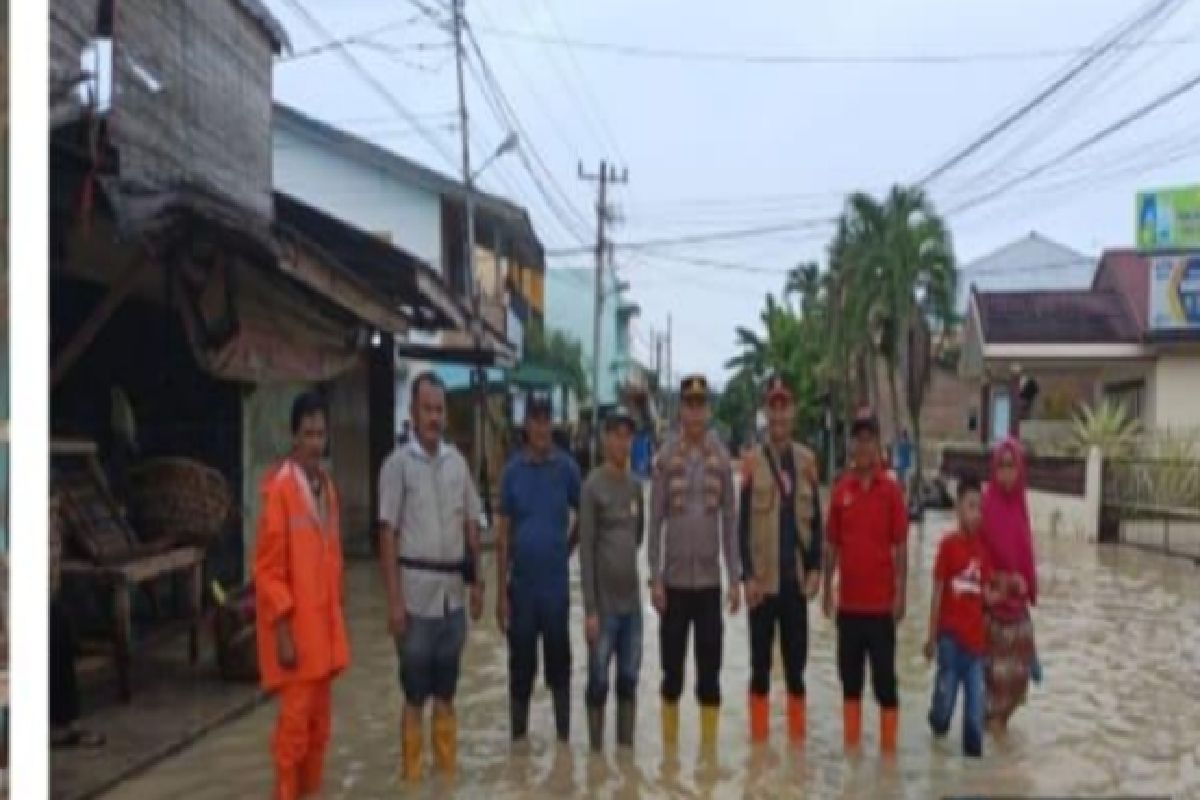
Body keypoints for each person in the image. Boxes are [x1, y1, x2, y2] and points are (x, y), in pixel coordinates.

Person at [378, 372, 484, 781]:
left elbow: (472, 523)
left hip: (452, 599)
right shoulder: (397, 466)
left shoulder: (457, 463)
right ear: (413, 412)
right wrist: (393, 603)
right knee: (413, 694)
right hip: (414, 598)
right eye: (427, 409)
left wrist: (478, 584)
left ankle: (446, 780)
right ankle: (412, 780)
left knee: (447, 693)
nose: (434, 417)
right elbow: (387, 533)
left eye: (440, 409)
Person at [255, 392, 350, 800]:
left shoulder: (327, 488)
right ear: (294, 437)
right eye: (308, 434)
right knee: (292, 738)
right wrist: (282, 631)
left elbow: (333, 561)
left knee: (319, 734)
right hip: (297, 637)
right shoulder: (280, 489)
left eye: (321, 434)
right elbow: (268, 570)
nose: (316, 443)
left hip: (324, 637)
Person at [648, 374, 741, 751]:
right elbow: (655, 522)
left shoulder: (721, 459)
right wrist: (653, 577)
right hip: (673, 586)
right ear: (680, 409)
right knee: (671, 675)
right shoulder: (665, 459)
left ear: (708, 409)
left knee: (710, 677)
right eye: (689, 403)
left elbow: (730, 523)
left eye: (701, 403)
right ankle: (670, 759)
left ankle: (707, 759)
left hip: (708, 587)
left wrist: (734, 577)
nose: (695, 410)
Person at [739, 374, 823, 744]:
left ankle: (796, 749)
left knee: (796, 670)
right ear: (765, 414)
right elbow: (741, 526)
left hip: (795, 584)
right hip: (763, 584)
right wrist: (747, 577)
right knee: (759, 670)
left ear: (793, 413)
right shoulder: (751, 464)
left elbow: (816, 522)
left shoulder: (807, 463)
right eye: (772, 408)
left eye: (784, 407)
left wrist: (817, 569)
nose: (778, 415)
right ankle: (759, 750)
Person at [496, 389, 582, 744]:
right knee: (520, 669)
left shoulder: (568, 469)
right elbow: (501, 536)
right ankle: (519, 744)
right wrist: (501, 593)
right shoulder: (512, 472)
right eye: (536, 420)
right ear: (526, 425)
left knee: (560, 666)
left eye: (547, 420)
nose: (542, 427)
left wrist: (567, 547)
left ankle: (563, 743)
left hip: (556, 588)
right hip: (522, 588)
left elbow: (584, 516)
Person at [822, 408, 908, 756]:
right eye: (858, 437)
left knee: (885, 684)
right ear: (851, 443)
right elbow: (831, 544)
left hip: (881, 607)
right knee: (850, 684)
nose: (863, 444)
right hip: (849, 607)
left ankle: (888, 758)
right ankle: (852, 753)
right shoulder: (841, 490)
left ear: (877, 443)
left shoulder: (892, 491)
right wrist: (827, 588)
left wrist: (901, 593)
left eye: (869, 437)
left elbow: (901, 544)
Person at [580, 406, 645, 751]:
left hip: (632, 606)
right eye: (616, 435)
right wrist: (590, 610)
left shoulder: (635, 488)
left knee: (629, 681)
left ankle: (625, 754)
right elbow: (586, 551)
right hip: (603, 609)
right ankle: (595, 757)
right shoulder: (592, 486)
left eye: (627, 436)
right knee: (598, 681)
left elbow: (638, 537)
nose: (622, 443)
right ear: (605, 439)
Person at [923, 476, 1001, 758]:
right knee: (943, 711)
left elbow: (987, 594)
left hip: (976, 648)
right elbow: (937, 591)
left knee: (974, 720)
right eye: (971, 507)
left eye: (980, 509)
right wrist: (931, 637)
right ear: (957, 509)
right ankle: (935, 724)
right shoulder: (948, 546)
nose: (977, 514)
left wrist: (1005, 595)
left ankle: (973, 778)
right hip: (950, 643)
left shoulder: (984, 551)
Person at [980, 437, 1039, 733]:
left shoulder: (1021, 505)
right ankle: (995, 769)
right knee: (993, 691)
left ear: (1020, 470)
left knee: (1014, 689)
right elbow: (978, 554)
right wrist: (1001, 580)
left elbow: (1026, 551)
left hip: (1018, 612)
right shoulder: (986, 505)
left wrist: (1027, 585)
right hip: (992, 612)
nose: (1006, 473)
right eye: (1001, 466)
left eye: (1011, 466)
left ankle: (999, 757)